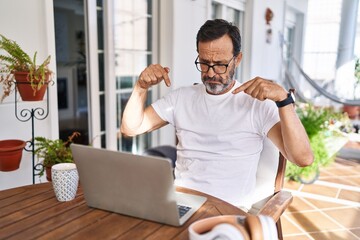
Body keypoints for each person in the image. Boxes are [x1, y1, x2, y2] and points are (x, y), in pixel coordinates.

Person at [120, 19, 313, 211]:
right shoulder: (181, 98)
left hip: (228, 210)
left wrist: (283, 100)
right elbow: (131, 128)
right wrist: (141, 88)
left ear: (237, 59)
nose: (211, 73)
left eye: (220, 64)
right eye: (204, 63)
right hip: (179, 203)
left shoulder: (258, 104)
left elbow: (303, 158)